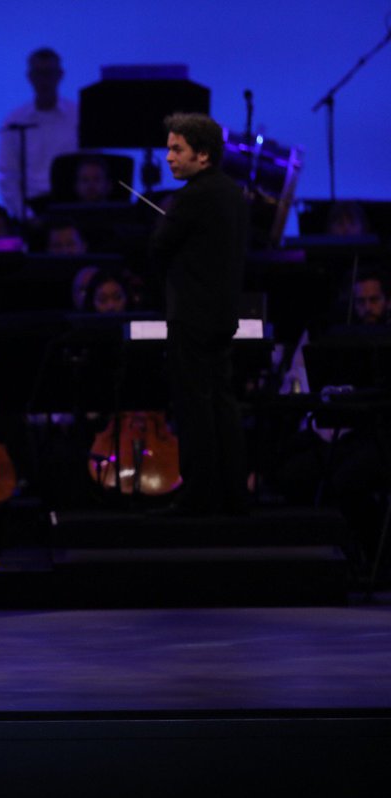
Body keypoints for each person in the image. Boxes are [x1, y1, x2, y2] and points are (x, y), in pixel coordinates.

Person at [151, 112, 249, 515]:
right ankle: (232, 494)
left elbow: (158, 249)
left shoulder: (193, 196)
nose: (169, 157)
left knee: (194, 407)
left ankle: (197, 497)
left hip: (191, 316)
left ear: (203, 155)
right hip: (222, 315)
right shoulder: (232, 192)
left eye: (177, 149)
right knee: (222, 404)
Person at [0, 48, 79, 219]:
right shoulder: (15, 121)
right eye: (39, 73)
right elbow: (8, 173)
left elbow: (92, 162)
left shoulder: (78, 116)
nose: (44, 80)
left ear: (60, 75)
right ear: (30, 77)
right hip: (33, 206)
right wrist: (25, 214)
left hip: (73, 202)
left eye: (49, 73)